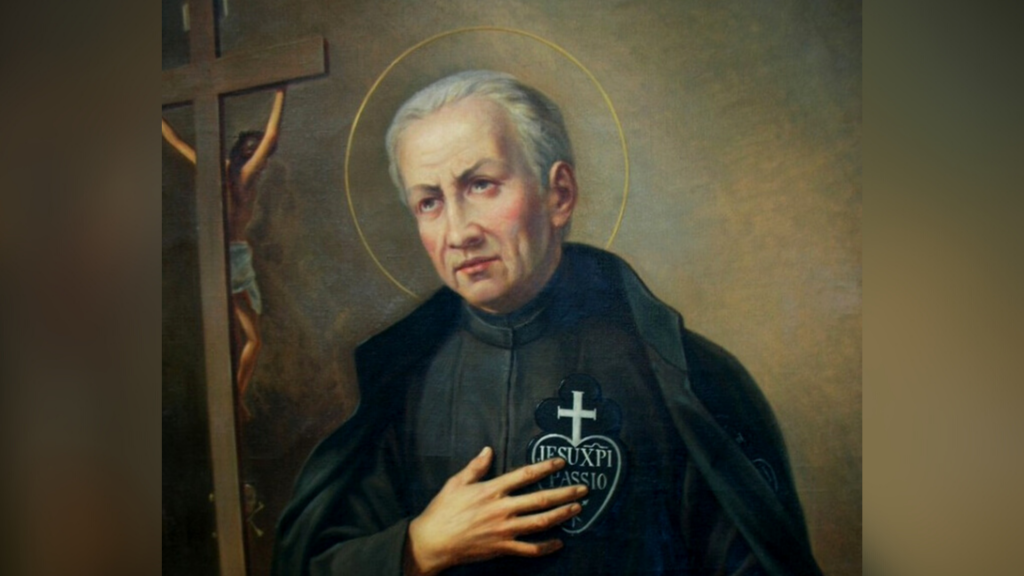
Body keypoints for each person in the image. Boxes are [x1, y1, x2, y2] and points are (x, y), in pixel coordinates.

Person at [273, 71, 822, 576]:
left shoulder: (684, 377)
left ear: (559, 194)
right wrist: (417, 547)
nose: (459, 232)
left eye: (481, 185)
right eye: (429, 202)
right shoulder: (401, 385)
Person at [162, 87, 285, 419]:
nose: (263, 164)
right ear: (250, 155)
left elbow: (177, 142)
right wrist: (280, 92)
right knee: (251, 339)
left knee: (239, 338)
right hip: (235, 260)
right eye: (259, 157)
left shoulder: (217, 170)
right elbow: (271, 136)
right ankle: (234, 396)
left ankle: (233, 397)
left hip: (220, 259)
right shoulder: (243, 176)